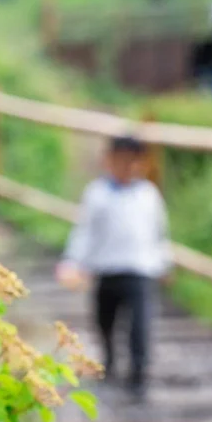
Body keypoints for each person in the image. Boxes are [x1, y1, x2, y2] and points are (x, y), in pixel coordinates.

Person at [57, 136, 171, 400]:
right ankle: (109, 361)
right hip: (107, 269)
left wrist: (164, 263)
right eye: (120, 159)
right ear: (109, 160)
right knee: (104, 321)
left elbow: (159, 233)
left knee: (140, 325)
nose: (126, 166)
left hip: (140, 270)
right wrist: (73, 262)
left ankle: (139, 374)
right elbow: (84, 232)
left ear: (142, 163)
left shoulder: (148, 195)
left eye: (133, 161)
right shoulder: (97, 193)